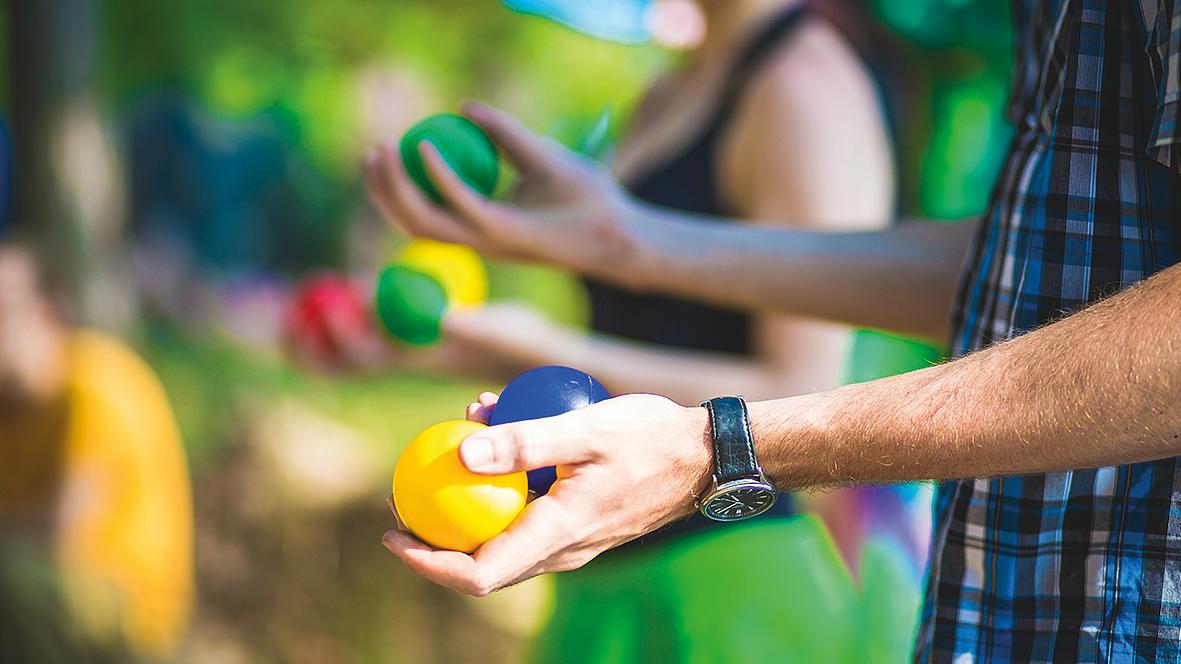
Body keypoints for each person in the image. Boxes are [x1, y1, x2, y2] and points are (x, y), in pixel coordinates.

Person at [366, 0, 1181, 659]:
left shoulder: (806, 81)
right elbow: (1044, 269)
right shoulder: (667, 87)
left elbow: (792, 381)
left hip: (729, 583)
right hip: (624, 567)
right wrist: (620, 247)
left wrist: (704, 446)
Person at [0, 245, 194, 661]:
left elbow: (60, 534)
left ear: (47, 314)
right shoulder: (11, 407)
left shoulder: (92, 384)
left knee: (9, 577)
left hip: (128, 612)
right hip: (54, 596)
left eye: (4, 312)